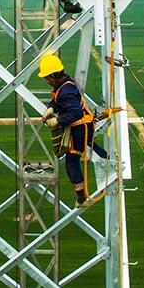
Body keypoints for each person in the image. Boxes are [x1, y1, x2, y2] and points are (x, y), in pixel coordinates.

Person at [37, 53, 118, 207]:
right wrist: (52, 107)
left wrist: (57, 121)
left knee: (72, 160)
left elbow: (75, 112)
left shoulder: (65, 91)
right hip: (85, 125)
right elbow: (59, 100)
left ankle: (82, 197)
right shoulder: (66, 83)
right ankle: (108, 159)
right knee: (90, 144)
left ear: (55, 75)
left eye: (48, 78)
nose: (47, 81)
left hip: (80, 128)